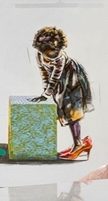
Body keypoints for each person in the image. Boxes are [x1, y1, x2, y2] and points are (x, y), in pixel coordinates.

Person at [29, 26, 94, 160]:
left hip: (71, 81)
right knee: (62, 110)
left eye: (54, 53)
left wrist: (47, 93)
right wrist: (45, 91)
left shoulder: (61, 59)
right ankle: (80, 143)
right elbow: (44, 74)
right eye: (48, 54)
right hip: (59, 85)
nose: (51, 57)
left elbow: (55, 77)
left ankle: (78, 144)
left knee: (72, 111)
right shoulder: (39, 55)